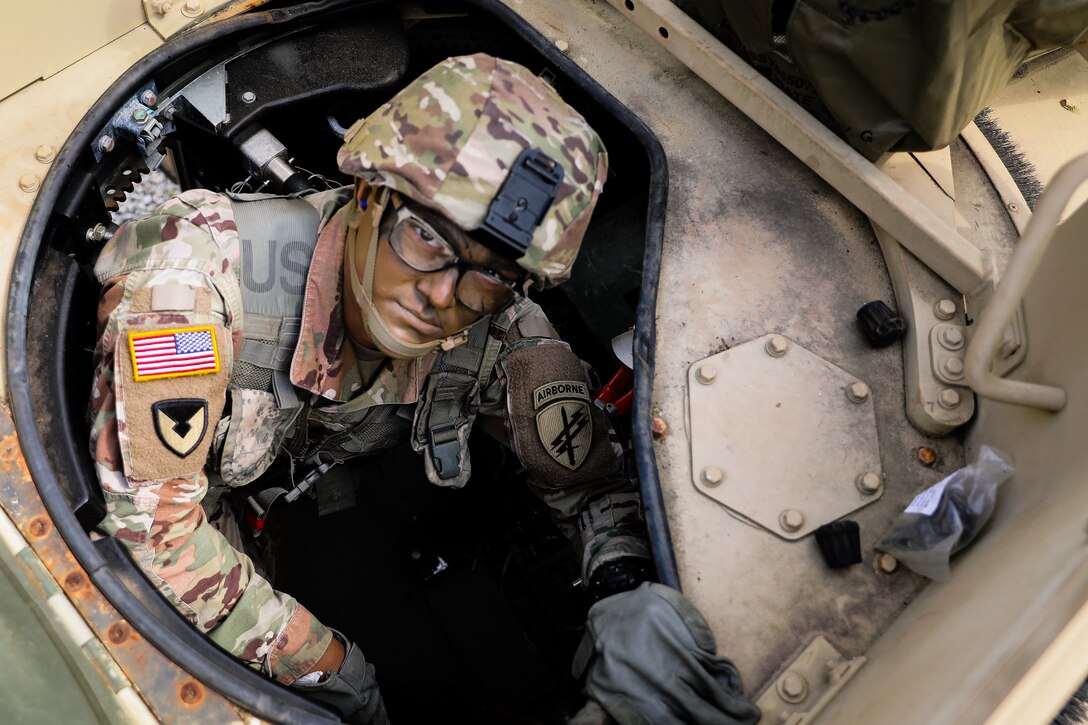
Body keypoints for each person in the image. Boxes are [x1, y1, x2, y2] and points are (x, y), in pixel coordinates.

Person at [88, 54, 759, 724]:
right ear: (367, 196)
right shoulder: (199, 276)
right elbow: (156, 531)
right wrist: (327, 668)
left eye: (490, 274)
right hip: (195, 510)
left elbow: (591, 487)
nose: (441, 293)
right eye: (425, 236)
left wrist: (628, 594)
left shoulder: (504, 328)